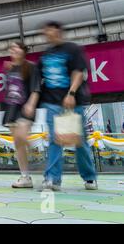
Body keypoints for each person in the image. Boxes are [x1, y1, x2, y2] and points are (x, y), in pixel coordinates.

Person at [37, 21, 97, 191]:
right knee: (55, 141)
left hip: (73, 102)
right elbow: (39, 78)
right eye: (45, 30)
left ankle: (89, 177)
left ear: (58, 31)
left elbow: (78, 71)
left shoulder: (72, 49)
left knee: (80, 142)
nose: (47, 33)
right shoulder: (45, 55)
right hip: (51, 103)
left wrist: (71, 93)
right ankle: (52, 179)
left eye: (49, 29)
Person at [2, 42, 41, 189]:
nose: (12, 51)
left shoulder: (31, 66)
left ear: (23, 50)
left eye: (15, 47)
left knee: (22, 137)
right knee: (18, 144)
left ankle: (36, 157)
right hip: (11, 109)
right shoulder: (10, 69)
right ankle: (25, 176)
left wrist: (31, 104)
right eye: (10, 49)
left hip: (25, 109)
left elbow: (36, 88)